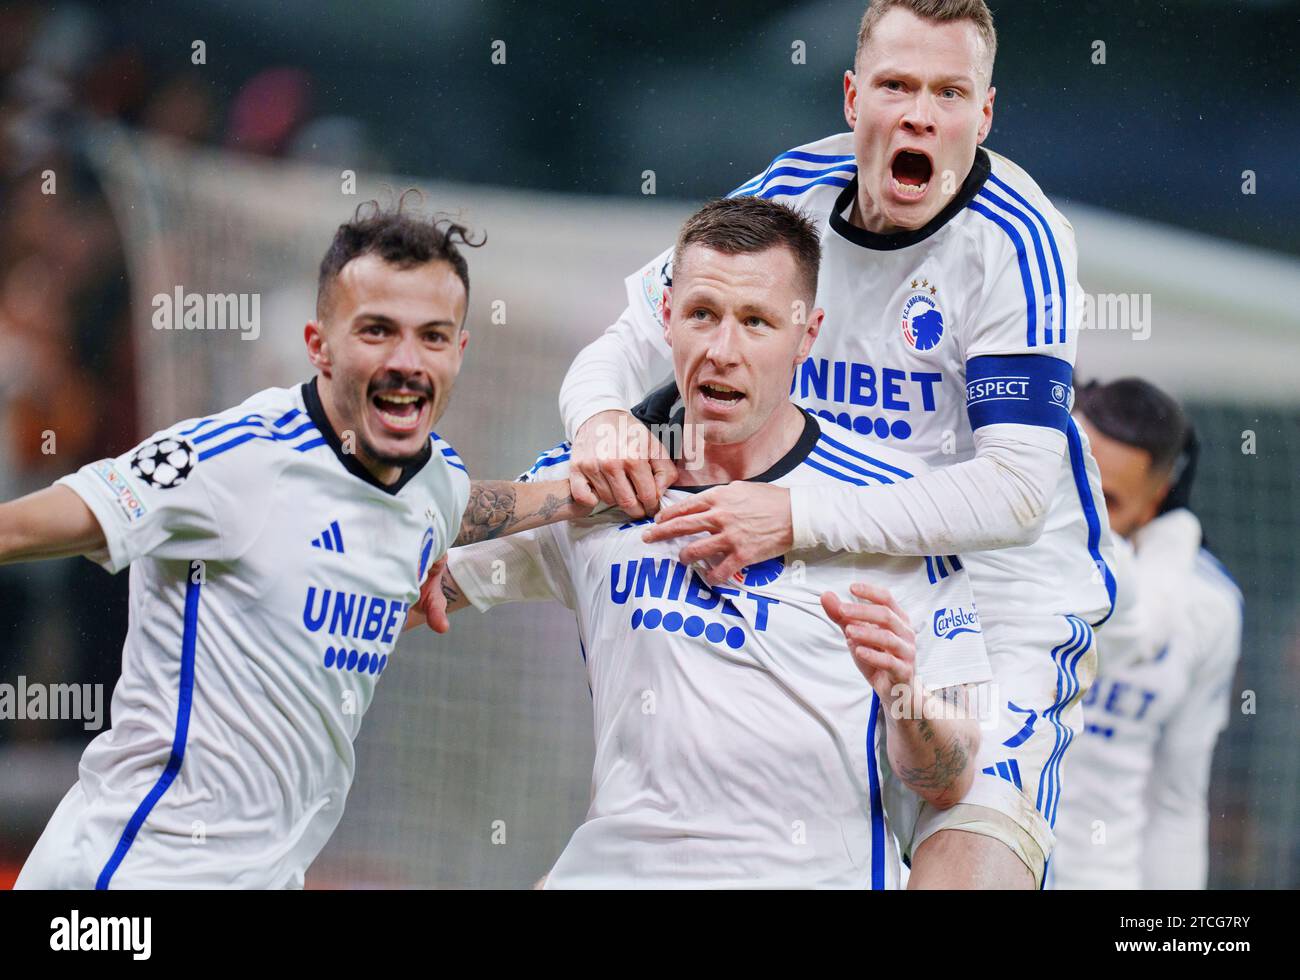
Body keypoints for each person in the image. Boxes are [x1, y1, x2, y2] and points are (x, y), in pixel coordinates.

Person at [555, 0, 1117, 887]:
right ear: (854, 96)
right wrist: (599, 418)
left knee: (963, 869)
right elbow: (631, 335)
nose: (919, 114)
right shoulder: (790, 192)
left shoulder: (1020, 242)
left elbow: (1014, 494)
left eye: (949, 91)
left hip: (1000, 606)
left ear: (986, 113)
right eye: (896, 85)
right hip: (834, 586)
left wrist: (791, 513)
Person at [6, 199, 580, 888]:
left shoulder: (436, 482)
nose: (407, 361)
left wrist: (608, 488)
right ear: (319, 345)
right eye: (377, 331)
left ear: (459, 351)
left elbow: (468, 508)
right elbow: (21, 525)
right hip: (129, 881)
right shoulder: (229, 461)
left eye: (431, 336)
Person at [425, 196, 991, 888]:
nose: (723, 351)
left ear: (805, 334)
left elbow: (950, 781)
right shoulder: (599, 483)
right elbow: (412, 575)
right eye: (703, 315)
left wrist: (900, 691)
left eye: (755, 322)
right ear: (666, 318)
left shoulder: (891, 509)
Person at [1050, 379, 1243, 889]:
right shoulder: (992, 550)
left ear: (1156, 499)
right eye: (1074, 481)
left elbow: (1176, 800)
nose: (1082, 512)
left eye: (1108, 501)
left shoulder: (1208, 608)